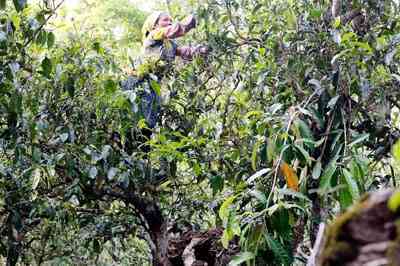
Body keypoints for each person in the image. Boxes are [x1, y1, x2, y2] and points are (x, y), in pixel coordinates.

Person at [122, 11, 208, 129]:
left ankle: (141, 144)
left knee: (149, 122)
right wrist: (191, 20)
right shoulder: (153, 35)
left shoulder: (170, 44)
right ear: (155, 25)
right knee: (135, 118)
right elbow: (175, 30)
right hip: (137, 81)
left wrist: (202, 50)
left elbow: (186, 52)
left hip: (153, 85)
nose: (169, 22)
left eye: (170, 20)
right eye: (165, 20)